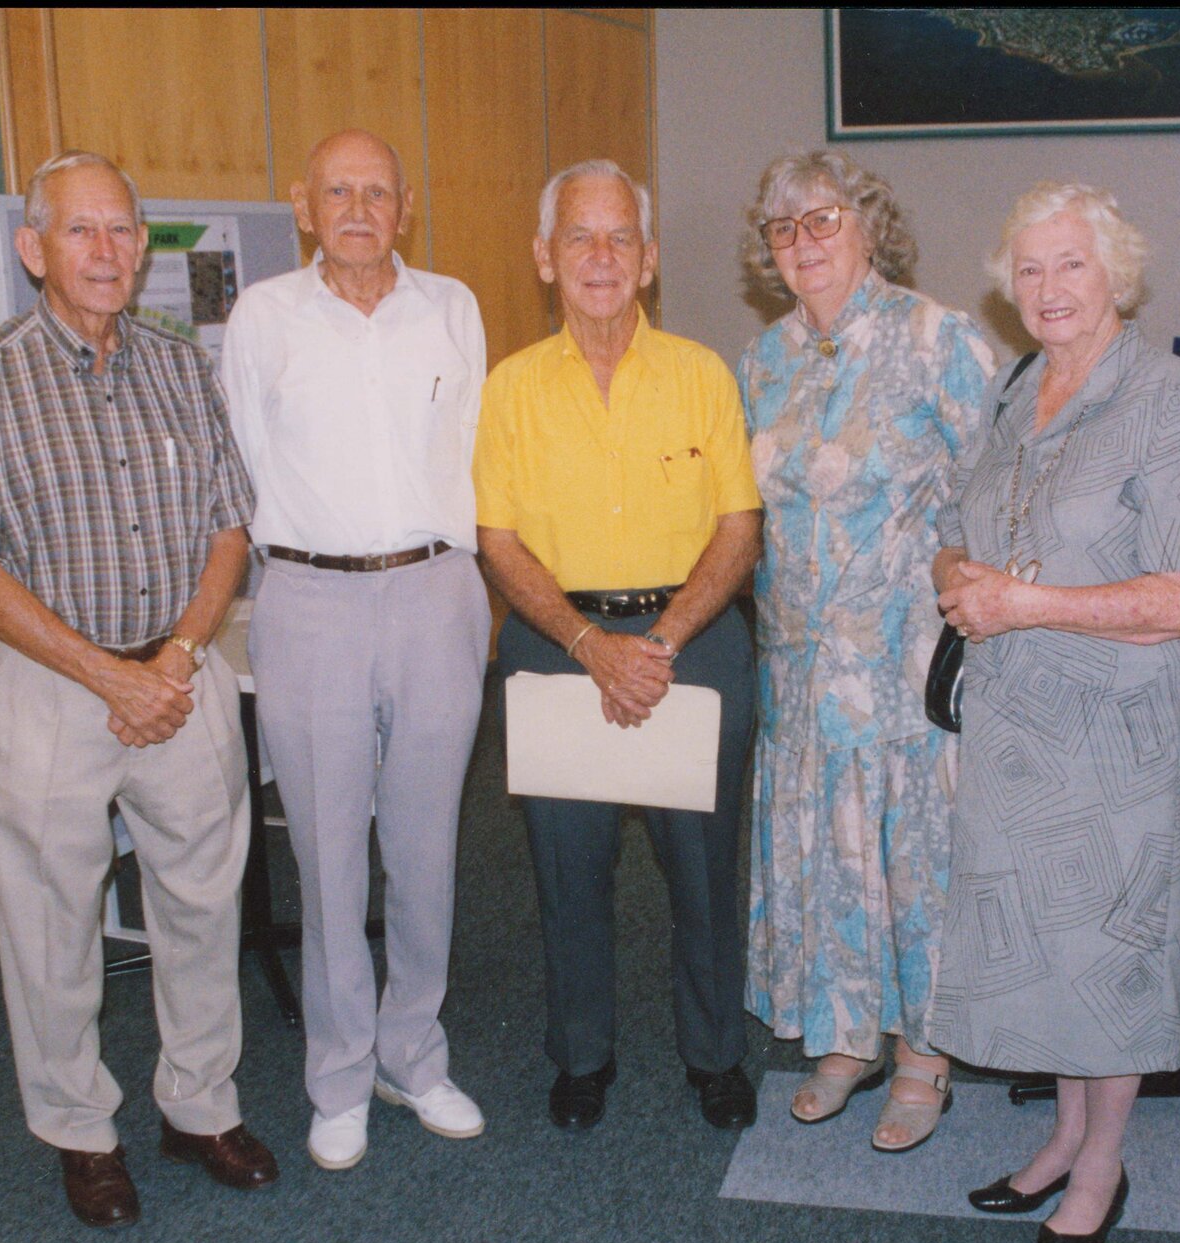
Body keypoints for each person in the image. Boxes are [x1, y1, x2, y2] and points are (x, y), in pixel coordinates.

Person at [0, 151, 278, 1228]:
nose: (110, 252)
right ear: (33, 249)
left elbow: (229, 526)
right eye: (82, 232)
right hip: (48, 691)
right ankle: (79, 1129)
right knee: (50, 922)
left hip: (181, 673)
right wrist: (108, 672)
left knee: (203, 904)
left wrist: (174, 660)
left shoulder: (178, 363)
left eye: (124, 231)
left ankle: (200, 1105)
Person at [927, 182, 1180, 1243]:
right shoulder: (1022, 391)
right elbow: (954, 526)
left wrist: (1026, 605)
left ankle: (1103, 1164)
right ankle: (1062, 1133)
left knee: (1111, 950)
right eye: (1028, 269)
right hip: (1020, 723)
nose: (1048, 288)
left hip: (1121, 730)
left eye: (1071, 265)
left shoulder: (1176, 403)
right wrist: (957, 575)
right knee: (1051, 942)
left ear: (1116, 274)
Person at [218, 130, 490, 1172]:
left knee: (425, 846)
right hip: (310, 598)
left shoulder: (452, 307)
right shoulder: (264, 317)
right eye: (338, 190)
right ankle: (338, 1074)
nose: (359, 208)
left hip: (434, 593)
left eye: (377, 191)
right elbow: (243, 457)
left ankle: (413, 1053)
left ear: (406, 206)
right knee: (327, 848)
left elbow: (469, 452)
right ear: (303, 205)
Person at [475, 159, 764, 1132]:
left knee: (705, 869)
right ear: (544, 259)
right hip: (560, 645)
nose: (599, 257)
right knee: (568, 868)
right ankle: (581, 1054)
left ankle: (717, 1053)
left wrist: (662, 638)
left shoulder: (701, 374)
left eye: (618, 239)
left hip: (694, 642)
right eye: (577, 238)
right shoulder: (510, 388)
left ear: (647, 261)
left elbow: (737, 527)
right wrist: (592, 642)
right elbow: (498, 540)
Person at [736, 152, 996, 1150]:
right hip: (799, 666)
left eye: (821, 219)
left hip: (901, 665)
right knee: (825, 854)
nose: (802, 241)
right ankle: (847, 1037)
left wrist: (967, 589)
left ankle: (924, 1054)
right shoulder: (764, 361)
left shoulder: (940, 341)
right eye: (781, 228)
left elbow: (993, 492)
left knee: (910, 859)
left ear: (868, 226)